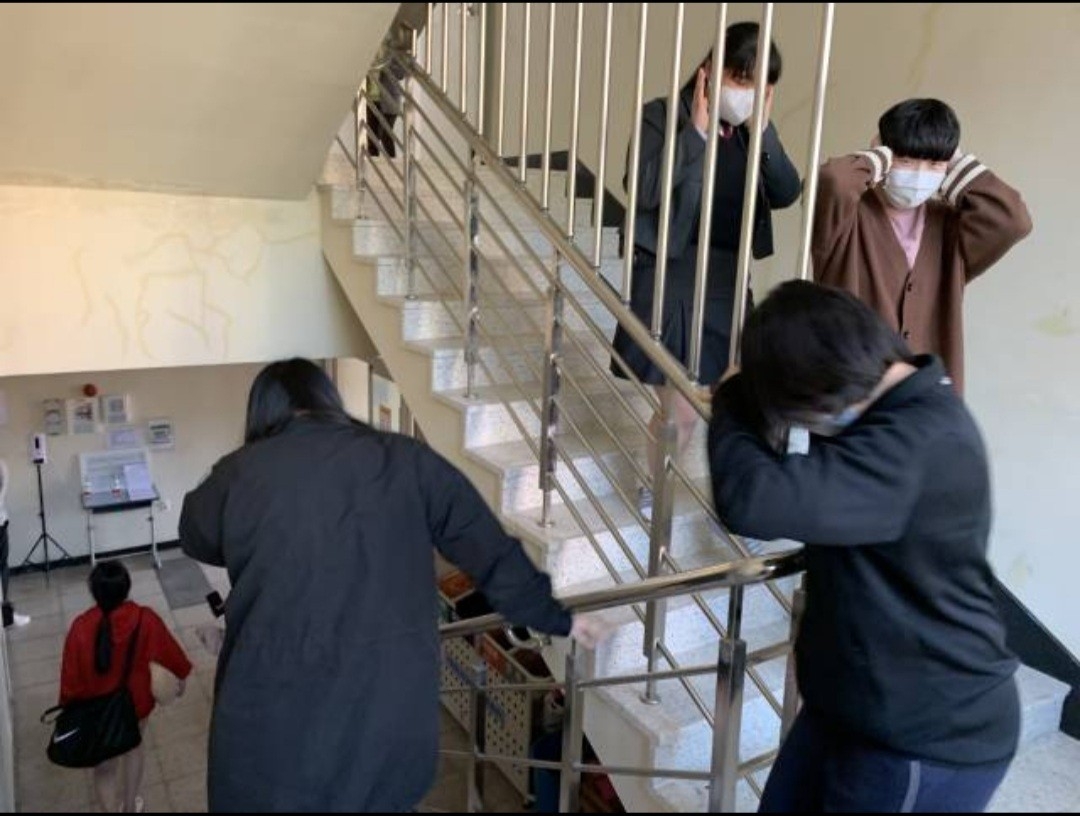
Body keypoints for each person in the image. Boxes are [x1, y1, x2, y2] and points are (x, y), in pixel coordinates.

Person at [179, 358, 602, 812]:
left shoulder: (237, 473)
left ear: (262, 409)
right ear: (327, 398)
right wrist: (558, 618)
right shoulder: (408, 459)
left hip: (275, 716)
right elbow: (487, 548)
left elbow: (195, 536)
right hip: (385, 713)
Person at [707, 281, 1019, 812]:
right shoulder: (894, 411)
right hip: (848, 710)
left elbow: (753, 499)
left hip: (924, 736)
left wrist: (734, 396)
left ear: (815, 383)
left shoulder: (920, 439)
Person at [610, 22, 801, 516]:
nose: (744, 93)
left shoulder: (751, 133)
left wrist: (763, 131)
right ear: (709, 72)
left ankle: (739, 495)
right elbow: (643, 188)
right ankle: (656, 485)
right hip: (675, 272)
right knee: (681, 405)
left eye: (757, 85)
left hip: (728, 276)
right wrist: (694, 134)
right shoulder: (663, 115)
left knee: (743, 394)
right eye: (739, 79)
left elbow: (787, 191)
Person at [812, 98, 1032, 393]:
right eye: (906, 160)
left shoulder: (951, 227)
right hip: (849, 394)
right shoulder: (847, 216)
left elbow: (1013, 219)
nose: (919, 174)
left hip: (925, 400)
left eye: (934, 164)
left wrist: (956, 162)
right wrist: (878, 157)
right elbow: (832, 180)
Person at [60, 561, 193, 813]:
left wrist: (70, 708)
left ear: (94, 592)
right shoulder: (145, 618)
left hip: (97, 709)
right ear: (127, 588)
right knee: (133, 748)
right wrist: (182, 677)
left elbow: (71, 676)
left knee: (104, 767)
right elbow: (171, 653)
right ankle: (130, 806)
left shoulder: (80, 627)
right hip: (136, 704)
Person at [0, 458, 30, 628]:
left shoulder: (1, 465)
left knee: (2, 566)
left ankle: (5, 614)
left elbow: (1, 494)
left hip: (0, 523)